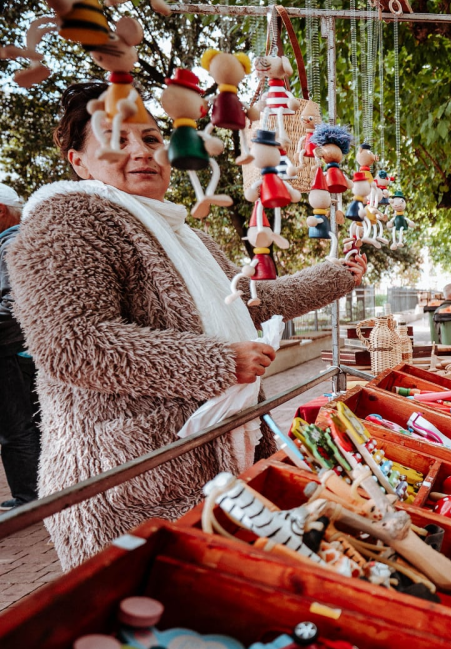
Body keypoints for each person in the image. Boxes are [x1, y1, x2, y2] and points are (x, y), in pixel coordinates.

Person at [7, 82, 367, 570]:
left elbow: (252, 303)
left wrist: (336, 275)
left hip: (207, 462)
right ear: (79, 161)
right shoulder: (67, 218)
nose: (141, 153)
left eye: (152, 139)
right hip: (128, 484)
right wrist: (218, 363)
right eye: (118, 140)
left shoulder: (183, 234)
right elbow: (72, 344)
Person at [0, 185, 40, 511]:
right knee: (25, 425)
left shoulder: (11, 243)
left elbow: (15, 303)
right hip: (18, 349)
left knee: (15, 429)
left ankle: (29, 499)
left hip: (9, 349)